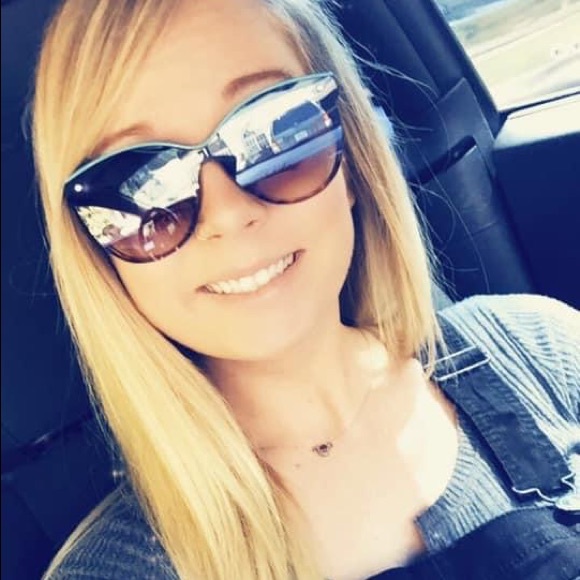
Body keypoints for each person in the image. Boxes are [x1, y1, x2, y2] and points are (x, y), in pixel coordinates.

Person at [32, 0, 579, 578]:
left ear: (353, 158)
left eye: (275, 134)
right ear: (95, 248)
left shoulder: (537, 349)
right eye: (141, 187)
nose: (229, 213)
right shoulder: (114, 569)